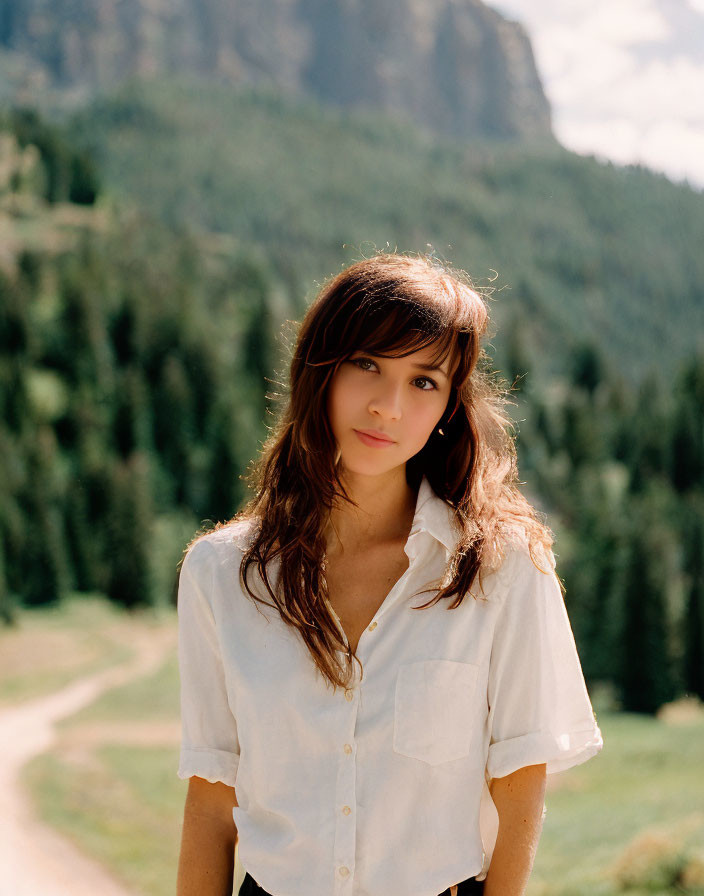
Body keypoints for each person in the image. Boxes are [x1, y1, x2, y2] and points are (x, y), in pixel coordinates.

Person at [175, 252, 603, 896]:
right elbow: (212, 802)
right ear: (318, 370)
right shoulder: (222, 574)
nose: (388, 406)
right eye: (366, 365)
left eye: (424, 381)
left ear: (448, 407)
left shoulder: (503, 567)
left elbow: (520, 787)